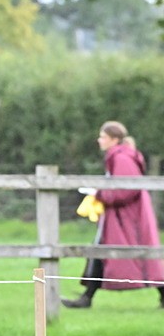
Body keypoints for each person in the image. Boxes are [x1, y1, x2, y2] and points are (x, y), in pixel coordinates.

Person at [63, 121, 164, 309]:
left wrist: (99, 194)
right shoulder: (118, 156)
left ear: (114, 139)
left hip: (128, 219)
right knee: (102, 252)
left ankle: (86, 298)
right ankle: (87, 297)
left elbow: (126, 190)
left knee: (138, 256)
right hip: (121, 217)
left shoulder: (122, 158)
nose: (99, 140)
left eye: (102, 136)